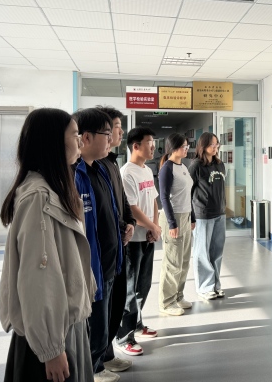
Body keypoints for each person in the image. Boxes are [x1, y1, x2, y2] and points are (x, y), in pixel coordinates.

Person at [0, 108, 95, 382]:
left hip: (65, 324)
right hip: (52, 336)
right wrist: (51, 348)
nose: (80, 141)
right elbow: (38, 278)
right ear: (54, 142)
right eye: (75, 135)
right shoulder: (38, 198)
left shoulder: (54, 189)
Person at [73, 109, 123, 382]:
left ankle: (99, 364)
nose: (111, 139)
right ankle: (91, 372)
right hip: (92, 270)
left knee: (105, 326)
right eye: (107, 133)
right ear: (86, 137)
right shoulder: (75, 175)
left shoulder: (100, 169)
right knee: (95, 329)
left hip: (109, 263)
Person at [94, 107, 139, 366]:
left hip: (118, 247)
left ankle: (107, 355)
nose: (120, 133)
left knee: (115, 305)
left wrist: (129, 222)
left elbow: (120, 200)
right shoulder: (91, 167)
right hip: (103, 252)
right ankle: (98, 363)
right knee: (101, 312)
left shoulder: (112, 162)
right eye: (116, 127)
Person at [116, 127, 162, 349]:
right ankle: (124, 337)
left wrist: (155, 226)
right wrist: (152, 226)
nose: (153, 146)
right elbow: (132, 209)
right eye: (149, 142)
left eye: (153, 142)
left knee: (143, 285)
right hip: (133, 241)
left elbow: (152, 199)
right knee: (129, 289)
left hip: (147, 237)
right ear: (135, 146)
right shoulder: (127, 173)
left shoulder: (146, 170)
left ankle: (136, 324)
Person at [157, 133, 195, 316]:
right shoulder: (167, 168)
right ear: (173, 148)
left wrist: (192, 217)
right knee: (172, 262)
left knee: (184, 261)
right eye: (183, 146)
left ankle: (178, 296)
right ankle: (166, 302)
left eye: (187, 146)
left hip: (185, 217)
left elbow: (188, 194)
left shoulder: (183, 166)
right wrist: (172, 224)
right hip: (173, 218)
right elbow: (164, 197)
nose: (186, 149)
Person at [189, 132, 227, 300]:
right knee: (202, 252)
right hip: (202, 215)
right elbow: (188, 192)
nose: (215, 147)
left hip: (220, 213)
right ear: (203, 146)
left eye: (217, 144)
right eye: (212, 144)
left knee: (216, 252)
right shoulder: (196, 166)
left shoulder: (220, 165)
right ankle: (204, 287)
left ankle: (215, 285)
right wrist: (191, 217)